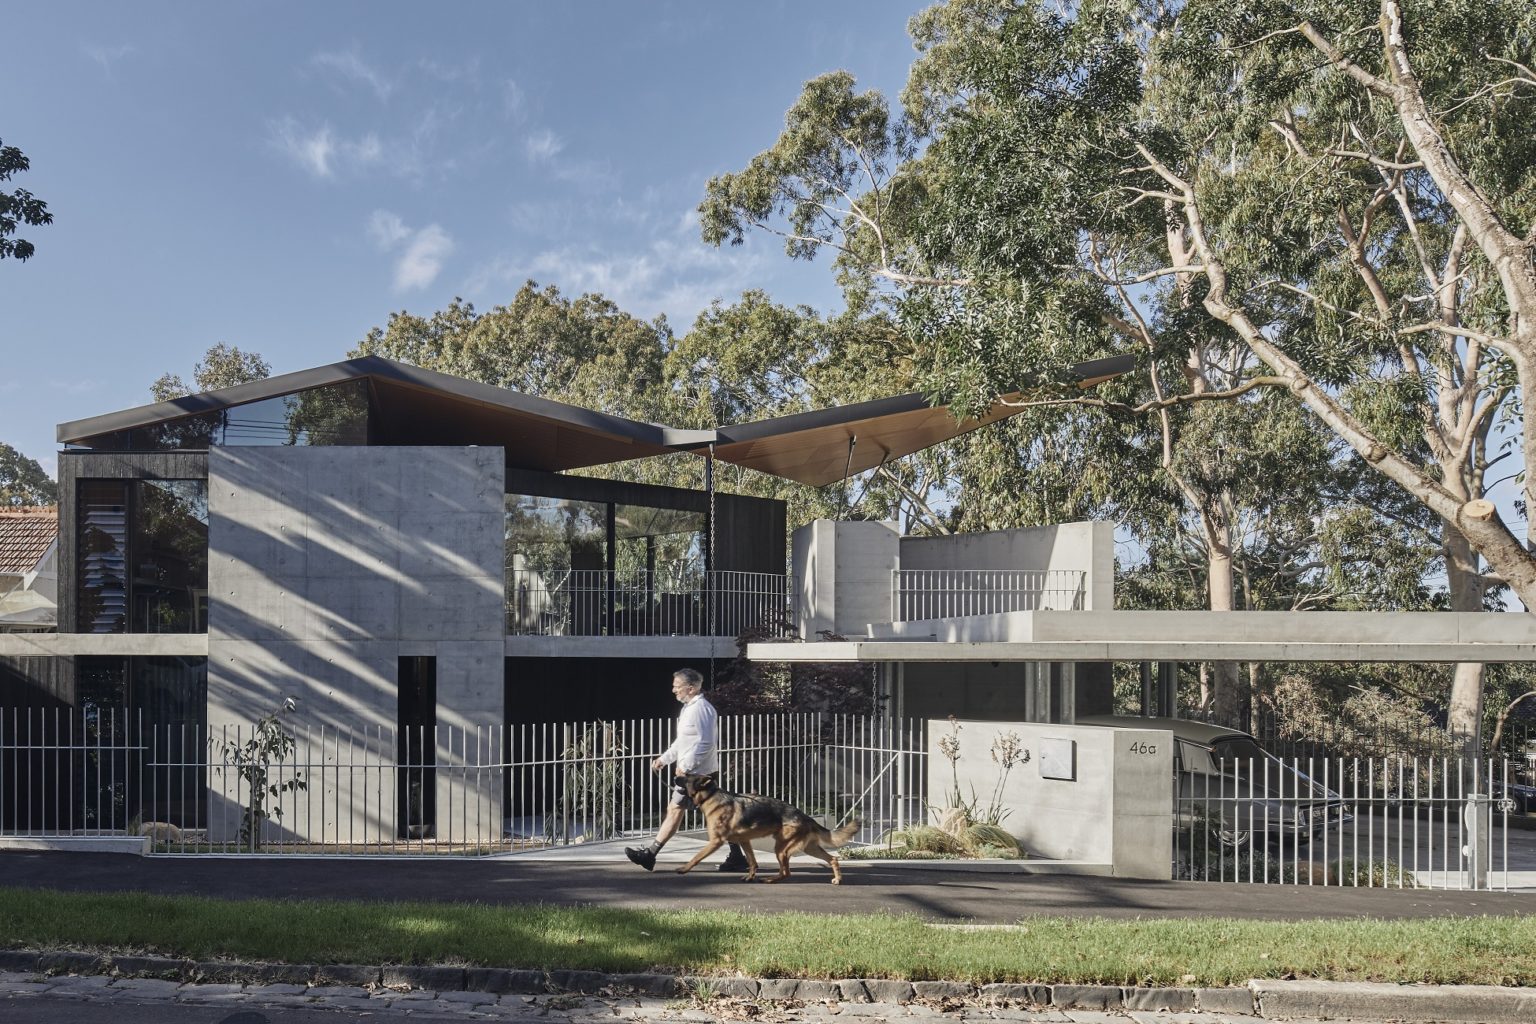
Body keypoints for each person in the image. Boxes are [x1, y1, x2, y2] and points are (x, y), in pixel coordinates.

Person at [625, 668, 749, 872]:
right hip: (695, 774)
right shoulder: (689, 709)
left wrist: (685, 765)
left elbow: (706, 743)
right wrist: (665, 759)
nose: (673, 690)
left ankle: (650, 854)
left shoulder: (701, 709)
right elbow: (683, 741)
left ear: (690, 688)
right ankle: (736, 856)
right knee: (707, 813)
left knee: (683, 810)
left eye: (677, 686)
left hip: (698, 775)